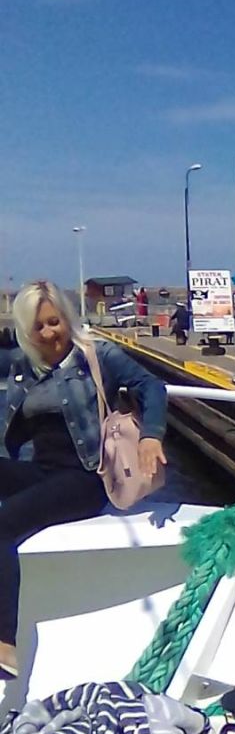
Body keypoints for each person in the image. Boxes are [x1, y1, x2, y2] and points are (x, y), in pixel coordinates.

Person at [0, 282, 167, 680]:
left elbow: (151, 386)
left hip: (86, 478)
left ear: (67, 318)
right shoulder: (23, 363)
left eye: (54, 322)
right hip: (41, 471)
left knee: (3, 525)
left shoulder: (96, 354)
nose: (49, 334)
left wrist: (151, 436)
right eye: (38, 327)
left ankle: (5, 643)